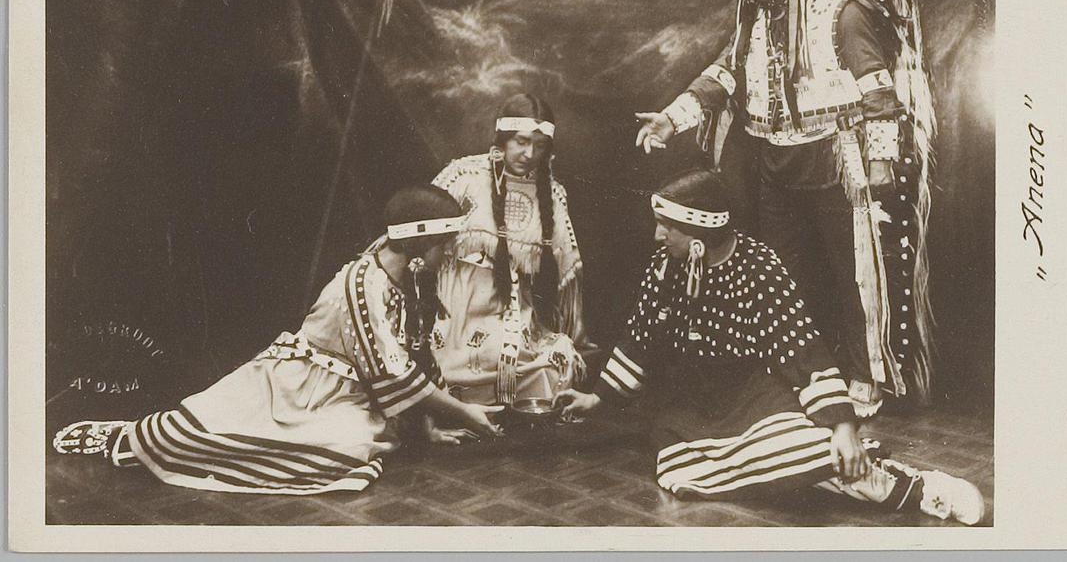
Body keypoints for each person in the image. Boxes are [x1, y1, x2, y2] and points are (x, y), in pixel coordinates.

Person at [633, 0, 937, 417]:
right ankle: (802, 377)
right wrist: (671, 121)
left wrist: (881, 160)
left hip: (833, 160)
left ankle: (865, 377)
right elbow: (725, 74)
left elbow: (878, 90)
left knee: (853, 275)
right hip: (775, 163)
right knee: (782, 275)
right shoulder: (755, 21)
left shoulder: (838, 13)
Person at [556, 170, 984, 525]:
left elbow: (799, 346)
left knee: (806, 448)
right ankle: (878, 481)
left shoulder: (757, 266)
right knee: (692, 470)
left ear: (700, 233)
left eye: (668, 227)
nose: (658, 236)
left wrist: (842, 425)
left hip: (753, 394)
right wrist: (598, 398)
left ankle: (918, 490)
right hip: (687, 406)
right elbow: (640, 339)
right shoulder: (666, 268)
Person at [52, 185, 503, 494]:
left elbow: (410, 354)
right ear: (419, 243)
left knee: (358, 442)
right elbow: (392, 370)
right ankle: (126, 439)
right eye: (445, 242)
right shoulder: (361, 284)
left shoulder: (410, 278)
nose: (450, 251)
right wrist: (464, 412)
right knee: (190, 435)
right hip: (292, 388)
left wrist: (429, 426)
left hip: (343, 394)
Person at [431, 93, 587, 406]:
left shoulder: (553, 193)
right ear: (503, 138)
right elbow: (418, 236)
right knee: (461, 361)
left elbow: (567, 277)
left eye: (539, 145)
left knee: (553, 362)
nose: (529, 154)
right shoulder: (463, 176)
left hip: (513, 312)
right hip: (456, 310)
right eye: (521, 141)